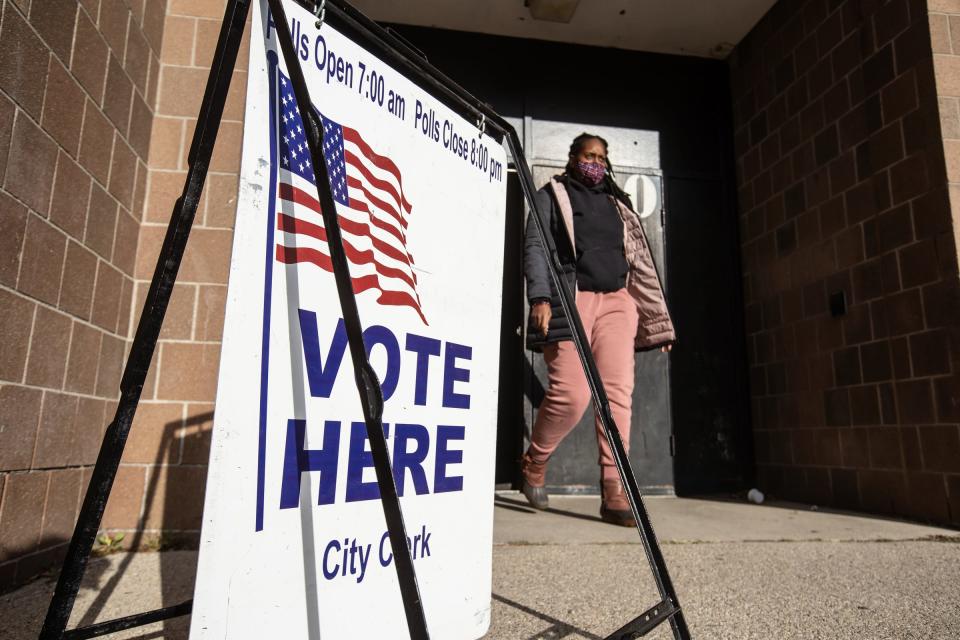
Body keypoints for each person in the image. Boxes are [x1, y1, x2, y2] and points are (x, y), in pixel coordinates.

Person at [521, 133, 675, 526]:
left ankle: (614, 491)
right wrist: (539, 297)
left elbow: (641, 263)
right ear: (573, 158)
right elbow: (536, 245)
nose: (596, 163)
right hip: (572, 300)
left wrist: (659, 323)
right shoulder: (551, 195)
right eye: (589, 156)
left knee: (617, 397)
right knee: (572, 394)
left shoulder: (617, 202)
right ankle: (535, 461)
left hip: (618, 303)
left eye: (602, 158)